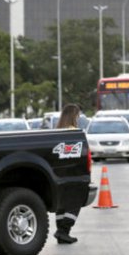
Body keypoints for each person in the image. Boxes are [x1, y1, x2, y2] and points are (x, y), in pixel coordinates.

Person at [54, 103, 83, 244]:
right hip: (73, 173)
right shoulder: (74, 132)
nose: (78, 117)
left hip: (59, 175)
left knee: (62, 203)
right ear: (73, 116)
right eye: (77, 115)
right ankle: (63, 231)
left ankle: (61, 231)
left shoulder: (57, 131)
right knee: (74, 202)